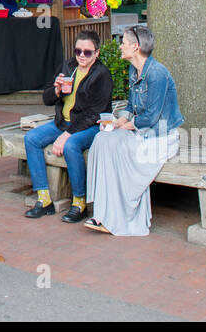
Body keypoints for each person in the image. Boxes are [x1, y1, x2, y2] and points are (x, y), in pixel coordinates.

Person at [84, 24, 185, 236]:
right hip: (141, 132)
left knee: (117, 151)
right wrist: (119, 120)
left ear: (136, 47)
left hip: (159, 137)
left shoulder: (157, 74)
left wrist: (125, 125)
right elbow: (131, 107)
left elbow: (151, 117)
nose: (121, 47)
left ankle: (124, 216)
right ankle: (103, 212)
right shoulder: (133, 69)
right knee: (104, 141)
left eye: (124, 43)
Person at [23, 30, 115, 222]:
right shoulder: (68, 66)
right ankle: (44, 199)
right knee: (31, 138)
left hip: (88, 126)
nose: (81, 55)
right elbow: (46, 99)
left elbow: (93, 114)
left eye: (87, 52)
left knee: (71, 145)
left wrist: (66, 135)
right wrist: (56, 90)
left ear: (96, 53)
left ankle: (79, 202)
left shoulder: (101, 75)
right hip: (62, 122)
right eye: (78, 50)